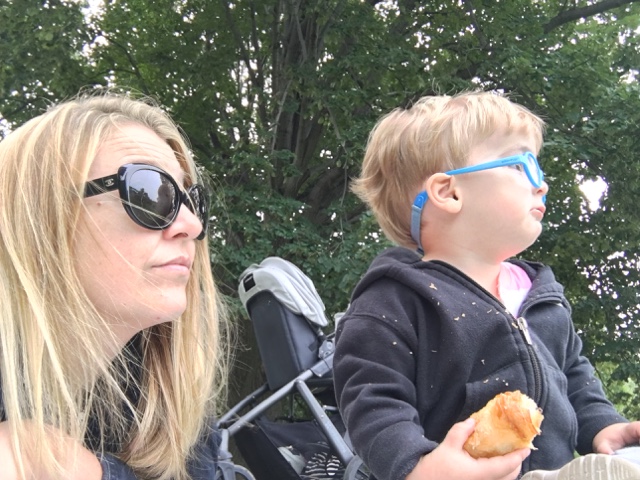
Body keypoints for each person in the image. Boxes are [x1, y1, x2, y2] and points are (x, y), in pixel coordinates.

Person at [332, 91, 640, 480]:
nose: (541, 184)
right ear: (450, 192)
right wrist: (418, 467)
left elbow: (574, 377)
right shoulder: (394, 302)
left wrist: (603, 425)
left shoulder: (539, 294)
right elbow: (373, 401)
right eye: (521, 165)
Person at [0, 92, 229, 479]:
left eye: (191, 201)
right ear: (41, 217)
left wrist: (84, 470)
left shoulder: (167, 393)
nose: (192, 225)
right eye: (149, 192)